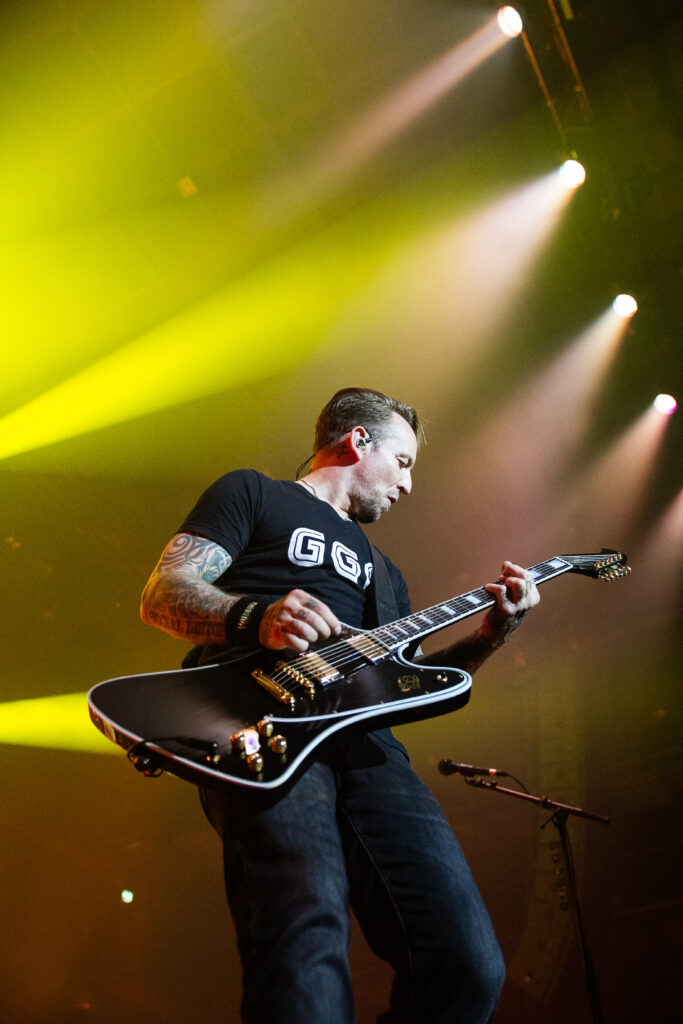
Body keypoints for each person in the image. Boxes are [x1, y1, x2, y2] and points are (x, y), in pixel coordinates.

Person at [140, 387, 539, 1024]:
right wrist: (255, 616)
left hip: (368, 749)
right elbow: (164, 593)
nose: (409, 486)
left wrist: (492, 634)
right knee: (305, 932)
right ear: (358, 441)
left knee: (467, 964)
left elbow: (403, 692)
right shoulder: (254, 493)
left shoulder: (387, 575)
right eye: (404, 463)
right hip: (258, 725)